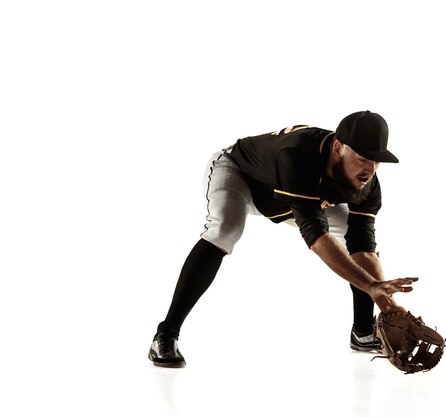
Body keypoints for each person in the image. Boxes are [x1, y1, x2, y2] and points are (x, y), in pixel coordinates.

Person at [148, 110, 419, 367]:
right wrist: (371, 285)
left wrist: (387, 304)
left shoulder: (367, 183)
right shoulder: (298, 155)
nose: (370, 168)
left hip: (289, 199)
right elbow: (316, 238)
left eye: (376, 160)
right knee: (225, 229)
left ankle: (362, 331)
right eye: (362, 158)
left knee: (353, 235)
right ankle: (165, 335)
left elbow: (363, 247)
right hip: (240, 174)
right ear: (339, 148)